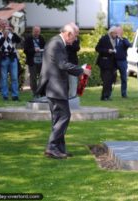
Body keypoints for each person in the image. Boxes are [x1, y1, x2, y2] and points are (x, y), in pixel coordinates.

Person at [36, 23, 91, 159]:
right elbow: (62, 64)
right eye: (75, 36)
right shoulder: (56, 43)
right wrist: (81, 70)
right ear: (68, 34)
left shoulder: (57, 42)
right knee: (64, 116)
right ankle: (52, 146)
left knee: (59, 118)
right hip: (55, 87)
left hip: (55, 87)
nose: (75, 40)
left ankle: (59, 149)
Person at [0, 24, 21, 101]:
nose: (7, 30)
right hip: (4, 58)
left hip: (12, 58)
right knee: (4, 78)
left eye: (9, 29)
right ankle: (5, 95)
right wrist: (3, 37)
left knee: (14, 77)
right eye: (6, 28)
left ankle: (15, 96)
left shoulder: (13, 35)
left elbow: (19, 40)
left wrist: (13, 32)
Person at [95, 26, 118, 101]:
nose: (116, 35)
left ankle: (108, 95)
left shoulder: (116, 39)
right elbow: (97, 48)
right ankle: (104, 96)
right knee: (106, 80)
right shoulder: (104, 38)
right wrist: (107, 50)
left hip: (112, 63)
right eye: (115, 33)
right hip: (105, 63)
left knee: (111, 79)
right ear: (111, 33)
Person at [24, 26, 46, 98]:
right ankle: (35, 93)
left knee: (42, 77)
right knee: (33, 78)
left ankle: (42, 92)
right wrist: (34, 50)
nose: (37, 33)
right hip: (32, 61)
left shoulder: (41, 38)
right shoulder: (28, 39)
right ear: (32, 31)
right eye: (35, 31)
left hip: (41, 61)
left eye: (38, 31)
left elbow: (45, 47)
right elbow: (25, 50)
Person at [115, 26, 131, 98]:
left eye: (119, 31)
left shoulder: (124, 40)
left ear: (122, 32)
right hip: (114, 61)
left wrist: (121, 38)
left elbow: (128, 45)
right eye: (116, 31)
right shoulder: (113, 39)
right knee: (110, 77)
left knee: (124, 78)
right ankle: (107, 93)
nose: (117, 32)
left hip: (122, 61)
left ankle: (124, 94)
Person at [66, 22, 80, 98]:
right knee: (66, 81)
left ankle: (72, 97)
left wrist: (71, 44)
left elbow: (77, 48)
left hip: (73, 61)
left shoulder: (76, 39)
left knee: (73, 80)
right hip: (65, 62)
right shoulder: (65, 38)